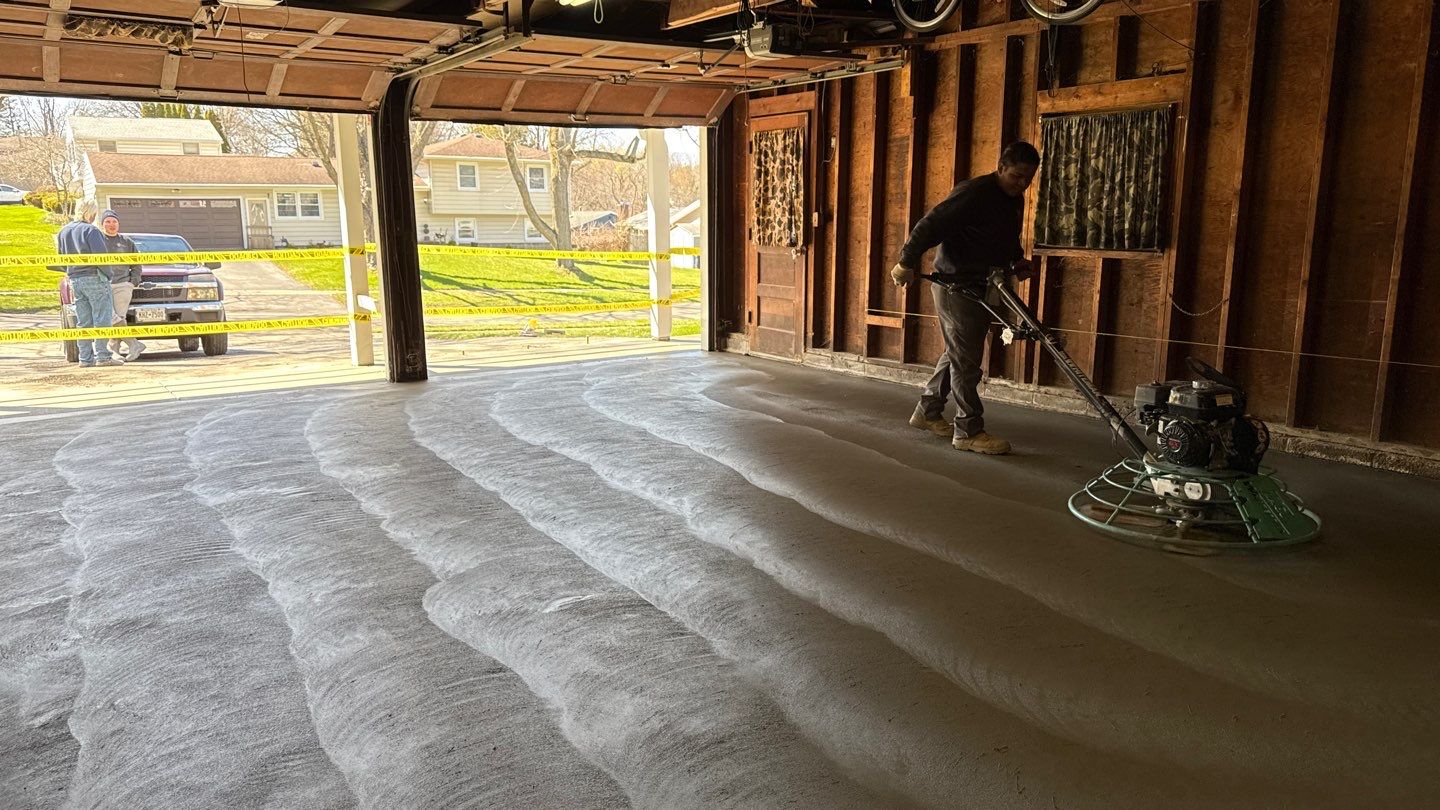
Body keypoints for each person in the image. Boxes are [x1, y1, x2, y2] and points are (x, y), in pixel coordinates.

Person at [890, 141, 1041, 455]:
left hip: (981, 285)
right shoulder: (974, 194)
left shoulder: (1013, 198)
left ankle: (928, 411)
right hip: (954, 286)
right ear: (1000, 168)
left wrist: (1017, 261)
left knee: (959, 353)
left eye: (1028, 178)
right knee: (967, 362)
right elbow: (930, 225)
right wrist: (906, 262)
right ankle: (968, 431)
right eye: (1016, 176)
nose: (1022, 184)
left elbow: (1006, 236)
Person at [57, 200, 122, 367]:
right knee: (102, 319)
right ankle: (103, 356)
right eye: (94, 214)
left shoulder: (63, 231)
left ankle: (85, 359)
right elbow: (101, 258)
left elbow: (61, 258)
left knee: (83, 321)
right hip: (95, 278)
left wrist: (71, 272)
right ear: (89, 213)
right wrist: (108, 274)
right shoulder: (91, 231)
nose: (94, 217)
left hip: (75, 280)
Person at [99, 209, 146, 362]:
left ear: (118, 224)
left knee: (118, 317)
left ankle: (114, 351)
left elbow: (136, 264)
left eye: (114, 221)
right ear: (102, 224)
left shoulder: (127, 242)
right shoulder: (98, 240)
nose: (111, 225)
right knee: (112, 318)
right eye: (108, 221)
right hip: (103, 284)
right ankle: (133, 344)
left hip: (122, 284)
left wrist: (133, 282)